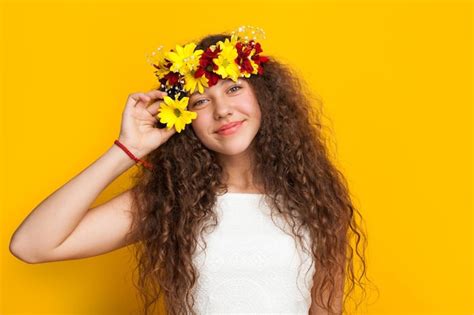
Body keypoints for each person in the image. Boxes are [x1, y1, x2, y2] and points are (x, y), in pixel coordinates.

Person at [9, 26, 371, 315]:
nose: (222, 110)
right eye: (201, 100)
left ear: (264, 97)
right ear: (185, 119)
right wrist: (128, 149)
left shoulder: (317, 203)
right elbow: (32, 245)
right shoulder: (169, 202)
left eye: (233, 89)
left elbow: (326, 309)